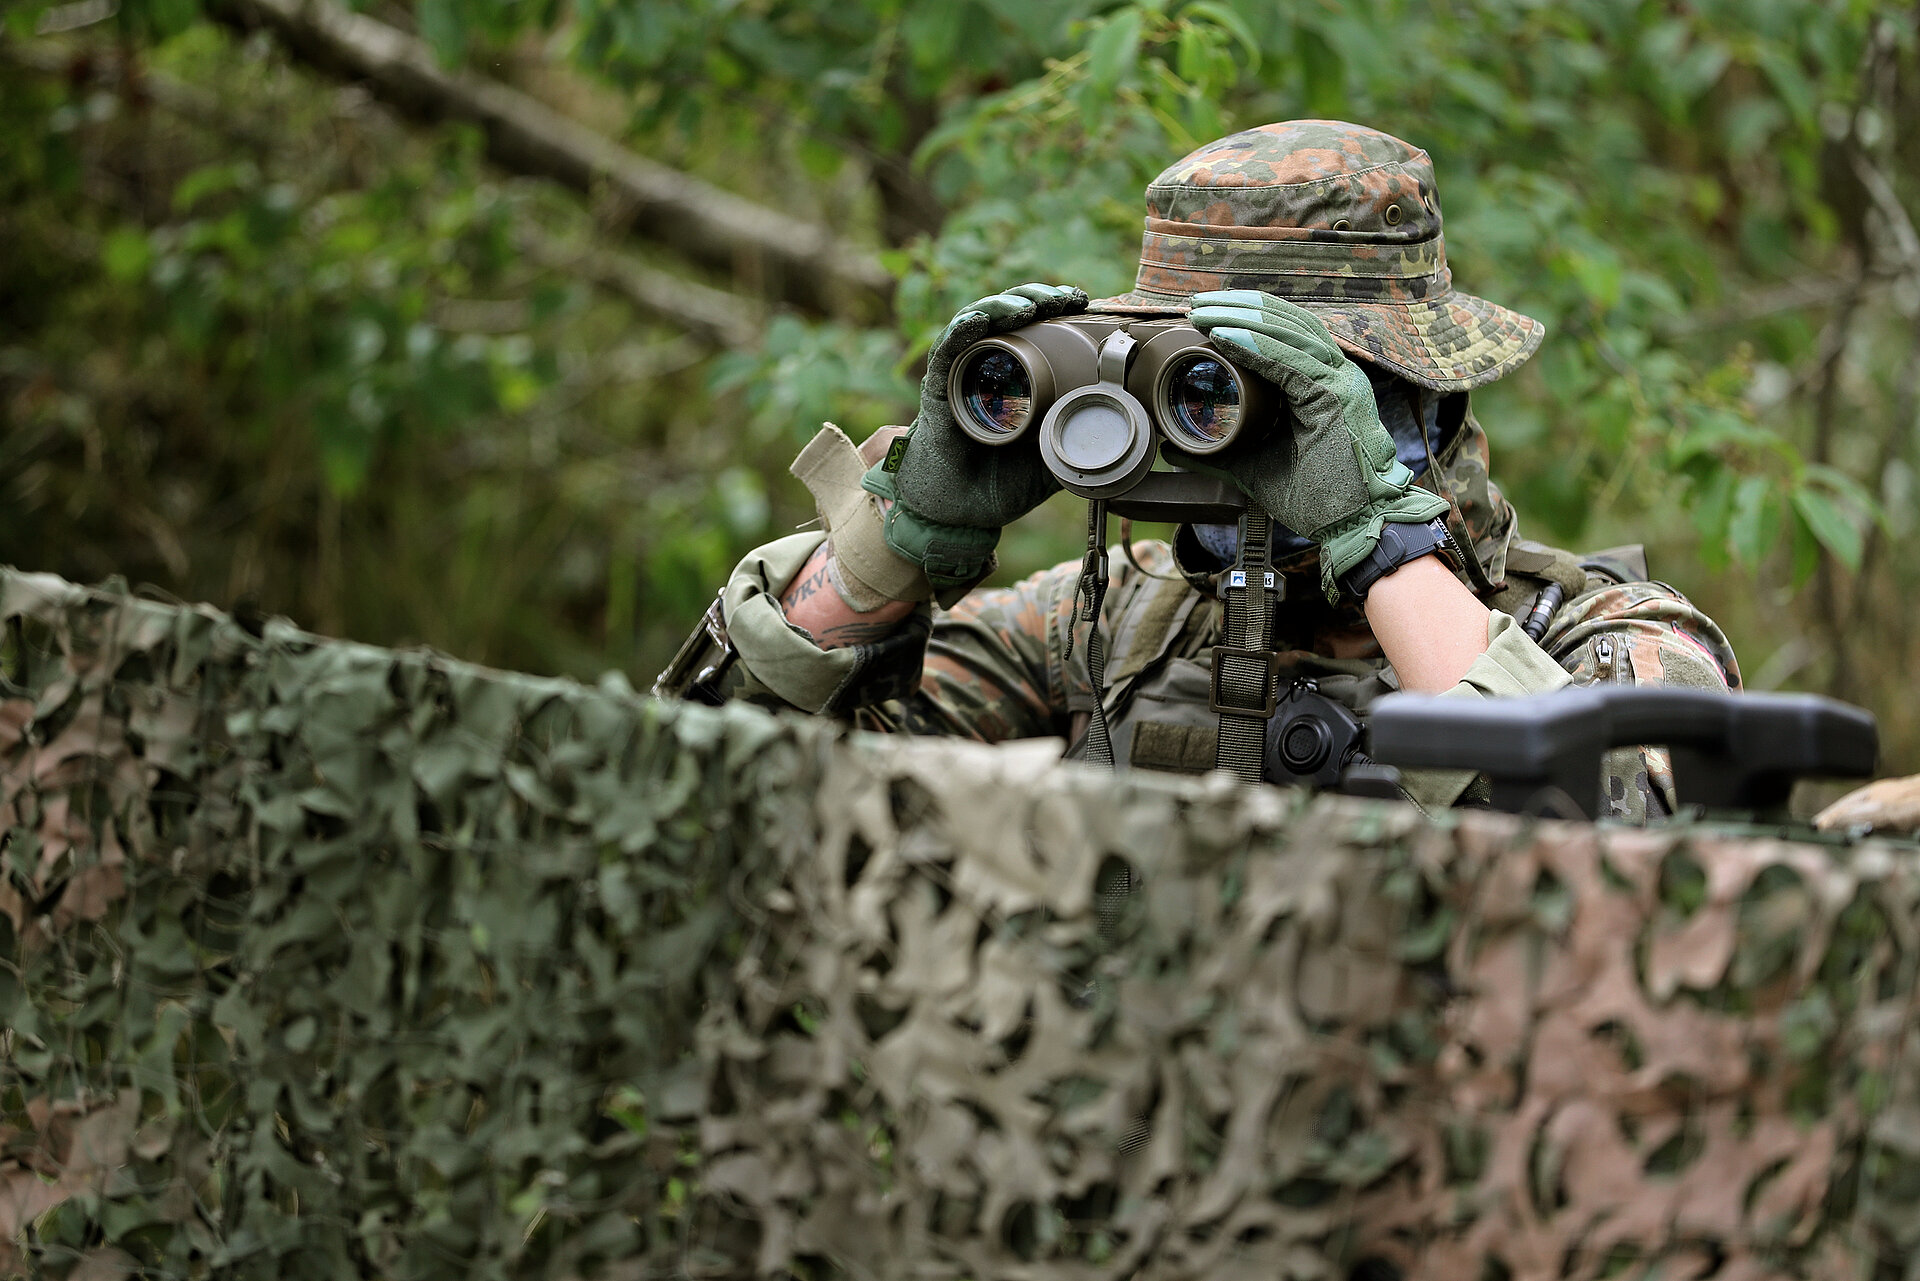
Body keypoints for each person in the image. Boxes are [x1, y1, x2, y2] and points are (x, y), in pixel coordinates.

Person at [657, 120, 1739, 822]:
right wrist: (892, 543)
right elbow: (704, 792)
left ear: (1428, 401)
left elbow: (1635, 865)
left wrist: (1380, 540)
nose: (1259, 448)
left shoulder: (1614, 637)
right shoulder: (1107, 627)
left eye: (1305, 397)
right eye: (1211, 389)